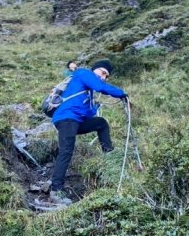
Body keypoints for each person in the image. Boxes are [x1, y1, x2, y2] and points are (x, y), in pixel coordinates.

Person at [47, 59, 129, 206]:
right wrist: (121, 93)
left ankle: (109, 157)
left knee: (101, 123)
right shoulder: (83, 73)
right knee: (66, 151)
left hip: (74, 121)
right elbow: (100, 86)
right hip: (66, 118)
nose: (104, 77)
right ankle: (55, 189)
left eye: (107, 76)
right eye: (103, 72)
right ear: (95, 70)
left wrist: (94, 107)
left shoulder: (88, 92)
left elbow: (85, 114)